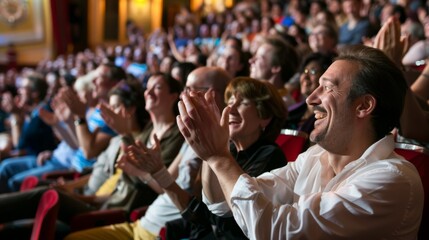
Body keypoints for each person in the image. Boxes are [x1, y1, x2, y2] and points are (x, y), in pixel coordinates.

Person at [176, 45, 424, 239]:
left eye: (326, 88)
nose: (311, 99)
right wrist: (212, 154)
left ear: (363, 106)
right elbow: (223, 203)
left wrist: (219, 157)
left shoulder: (391, 179)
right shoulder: (313, 158)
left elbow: (274, 230)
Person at [65, 67, 232, 240]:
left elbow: (191, 201)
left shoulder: (190, 137)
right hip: (140, 219)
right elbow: (165, 181)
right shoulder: (183, 136)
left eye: (190, 90)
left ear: (213, 95)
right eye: (185, 89)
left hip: (158, 227)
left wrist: (139, 162)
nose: (185, 95)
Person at [249, 36, 298, 108]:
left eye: (259, 58)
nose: (251, 61)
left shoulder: (282, 106)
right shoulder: (259, 97)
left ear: (276, 67)